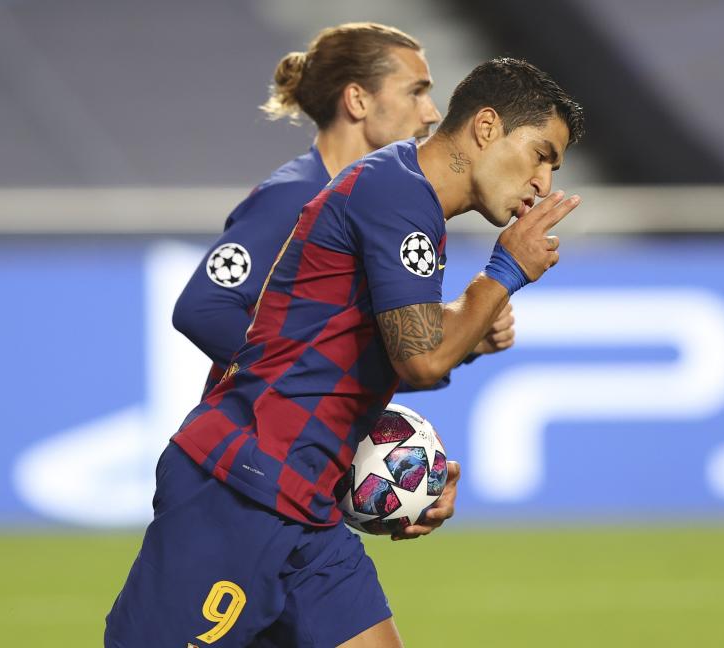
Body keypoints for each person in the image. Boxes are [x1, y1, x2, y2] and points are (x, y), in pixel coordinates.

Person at [106, 57, 584, 647]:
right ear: (486, 127)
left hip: (306, 497)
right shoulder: (397, 192)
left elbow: (343, 357)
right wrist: (506, 270)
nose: (545, 184)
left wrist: (411, 477)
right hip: (243, 488)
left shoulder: (408, 199)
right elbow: (421, 357)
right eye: (542, 155)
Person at [172, 22, 514, 396]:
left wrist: (466, 344)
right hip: (251, 447)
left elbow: (347, 366)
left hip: (300, 449)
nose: (431, 113)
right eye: (415, 92)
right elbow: (203, 309)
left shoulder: (378, 206)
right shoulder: (295, 193)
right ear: (357, 100)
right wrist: (295, 387)